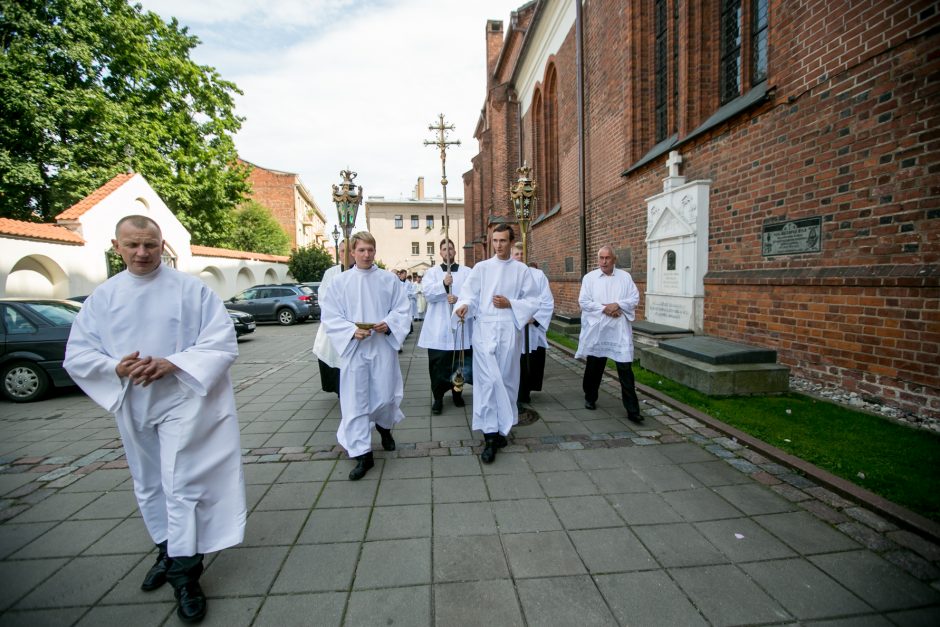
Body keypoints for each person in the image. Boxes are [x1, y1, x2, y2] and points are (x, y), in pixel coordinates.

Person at [64, 215, 246, 624]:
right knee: (148, 484)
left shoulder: (192, 290)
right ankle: (166, 549)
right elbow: (77, 354)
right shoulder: (103, 298)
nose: (142, 253)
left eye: (150, 245)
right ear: (117, 246)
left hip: (185, 400)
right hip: (134, 401)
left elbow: (221, 343)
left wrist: (173, 363)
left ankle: (185, 575)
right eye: (133, 246)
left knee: (181, 483)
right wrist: (116, 367)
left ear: (164, 245)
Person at [320, 232, 411, 480]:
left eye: (370, 249)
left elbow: (403, 308)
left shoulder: (388, 280)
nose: (367, 254)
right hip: (356, 350)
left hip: (381, 346)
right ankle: (363, 453)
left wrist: (390, 323)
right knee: (356, 401)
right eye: (361, 250)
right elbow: (329, 316)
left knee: (384, 394)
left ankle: (384, 428)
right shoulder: (340, 282)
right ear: (352, 253)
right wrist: (350, 331)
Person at [454, 224, 538, 463]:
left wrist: (511, 303)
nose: (499, 245)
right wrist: (464, 306)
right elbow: (469, 294)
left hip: (509, 330)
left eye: (503, 241)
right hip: (485, 330)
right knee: (488, 381)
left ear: (511, 242)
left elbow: (533, 300)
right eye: (495, 241)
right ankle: (489, 435)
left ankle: (502, 428)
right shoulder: (482, 268)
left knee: (507, 380)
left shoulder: (521, 270)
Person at [576, 245, 643, 423]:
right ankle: (590, 397)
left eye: (607, 258)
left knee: (625, 370)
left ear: (614, 260)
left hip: (619, 330)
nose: (604, 262)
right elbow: (583, 302)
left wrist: (618, 304)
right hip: (599, 329)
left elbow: (634, 298)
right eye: (601, 258)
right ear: (598, 260)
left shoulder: (625, 277)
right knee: (594, 366)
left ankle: (632, 410)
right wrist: (605, 308)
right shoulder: (590, 278)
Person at [418, 239, 473, 415]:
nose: (447, 251)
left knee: (459, 363)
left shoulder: (467, 272)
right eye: (444, 249)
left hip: (459, 326)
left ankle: (457, 393)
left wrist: (459, 299)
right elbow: (427, 294)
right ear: (440, 253)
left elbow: (472, 294)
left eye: (450, 248)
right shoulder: (432, 272)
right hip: (438, 328)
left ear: (455, 251)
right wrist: (443, 285)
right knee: (438, 366)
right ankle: (438, 398)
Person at [511, 242, 554, 404]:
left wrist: (534, 317)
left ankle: (525, 391)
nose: (520, 257)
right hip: (514, 326)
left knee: (530, 360)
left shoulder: (538, 275)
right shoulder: (507, 274)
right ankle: (514, 391)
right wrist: (520, 315)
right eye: (517, 254)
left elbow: (547, 301)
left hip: (532, 326)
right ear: (512, 255)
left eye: (523, 254)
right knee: (514, 360)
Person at [312, 242, 345, 395]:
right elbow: (324, 298)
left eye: (349, 251)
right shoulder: (332, 273)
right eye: (343, 251)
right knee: (336, 360)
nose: (346, 254)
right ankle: (340, 391)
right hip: (335, 325)